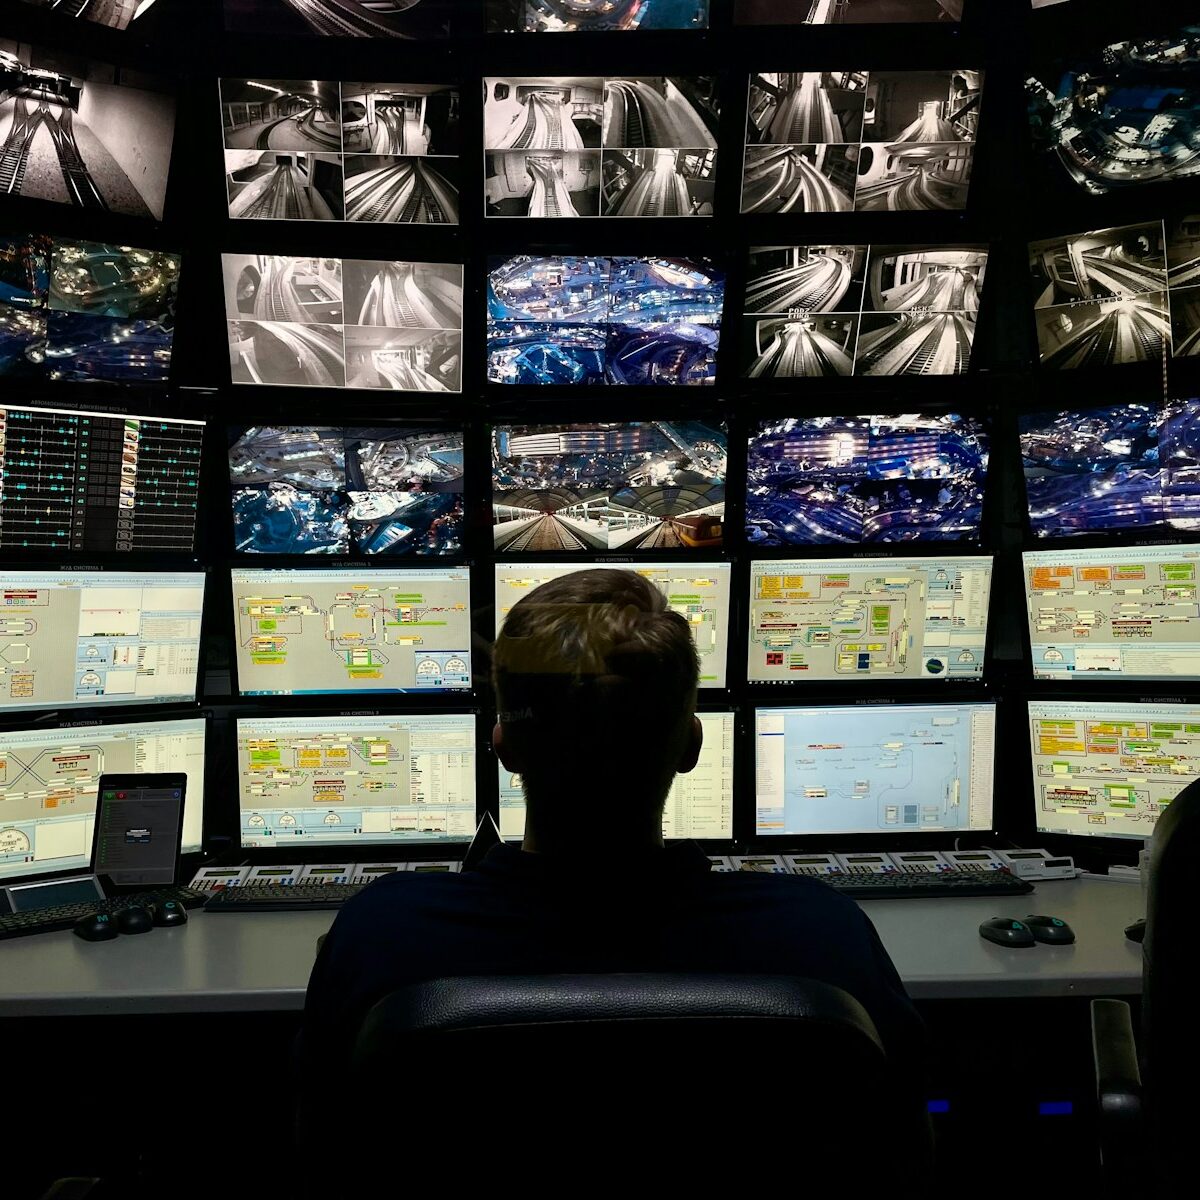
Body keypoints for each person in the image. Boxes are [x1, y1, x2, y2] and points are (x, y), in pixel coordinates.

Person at [298, 567, 924, 1109]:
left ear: (503, 747)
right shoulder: (823, 934)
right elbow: (906, 1129)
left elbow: (320, 1136)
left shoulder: (381, 932)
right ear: (692, 745)